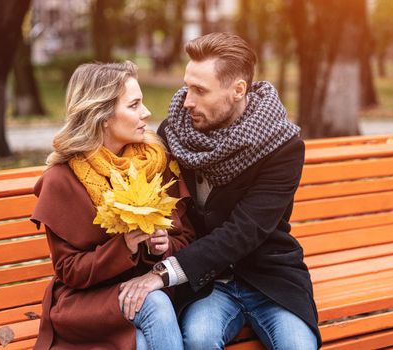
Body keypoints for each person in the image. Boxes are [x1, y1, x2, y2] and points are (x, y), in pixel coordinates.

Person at [119, 32, 322, 349]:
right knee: (199, 340)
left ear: (238, 90)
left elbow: (245, 230)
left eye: (200, 90)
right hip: (207, 284)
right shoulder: (173, 133)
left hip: (269, 278)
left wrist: (163, 273)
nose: (187, 101)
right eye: (187, 87)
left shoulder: (282, 145)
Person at [31, 61, 194, 350]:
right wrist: (125, 246)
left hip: (150, 289)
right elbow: (69, 270)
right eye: (134, 105)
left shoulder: (154, 162)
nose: (146, 113)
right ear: (102, 116)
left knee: (142, 342)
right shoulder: (62, 180)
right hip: (86, 302)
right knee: (152, 304)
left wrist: (162, 246)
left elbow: (186, 237)